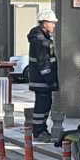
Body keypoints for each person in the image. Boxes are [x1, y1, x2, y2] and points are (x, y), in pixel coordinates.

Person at [26, 9, 59, 140]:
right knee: (42, 105)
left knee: (46, 103)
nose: (54, 25)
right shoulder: (40, 40)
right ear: (45, 24)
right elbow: (43, 61)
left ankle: (42, 129)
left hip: (41, 79)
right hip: (42, 80)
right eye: (52, 23)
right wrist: (50, 79)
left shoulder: (42, 37)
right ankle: (39, 131)